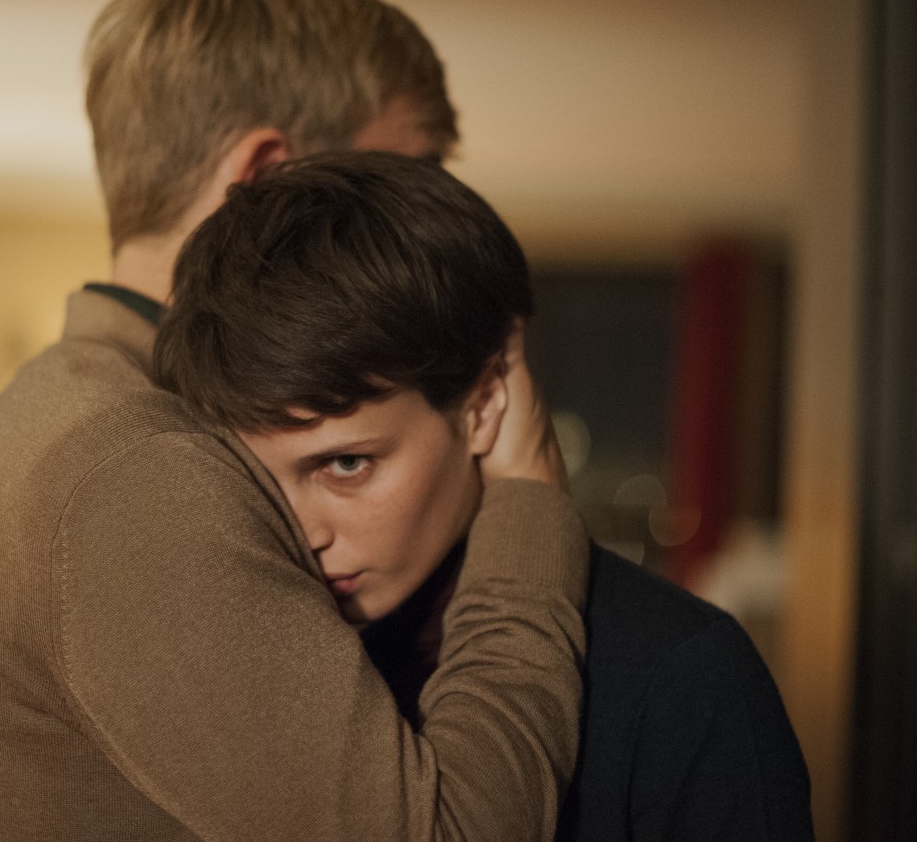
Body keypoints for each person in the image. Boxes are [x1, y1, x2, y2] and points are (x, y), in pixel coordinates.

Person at [0, 0, 587, 840]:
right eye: (404, 178)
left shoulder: (90, 415)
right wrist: (528, 499)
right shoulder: (132, 469)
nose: (429, 227)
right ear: (266, 176)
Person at [157, 150, 815, 842]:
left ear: (484, 403)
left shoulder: (681, 675)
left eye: (347, 464)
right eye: (256, 478)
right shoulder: (241, 657)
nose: (300, 532)